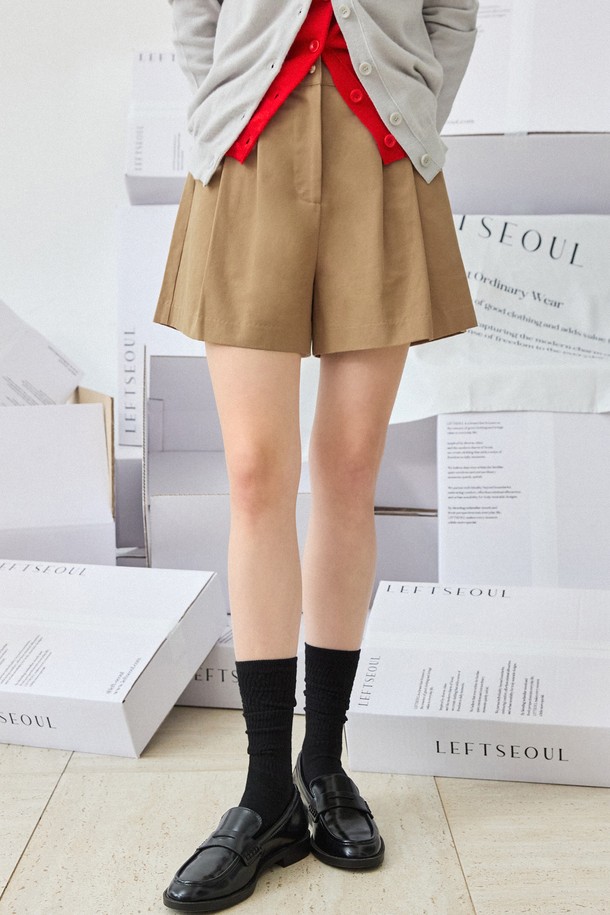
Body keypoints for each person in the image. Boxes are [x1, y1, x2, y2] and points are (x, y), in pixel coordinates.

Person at [154, 0, 479, 910]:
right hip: (250, 147)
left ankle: (325, 765)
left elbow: (453, 14)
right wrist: (226, 106)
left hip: (383, 153)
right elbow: (194, 12)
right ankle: (266, 795)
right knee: (257, 472)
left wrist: (411, 112)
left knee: (348, 469)